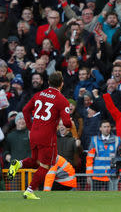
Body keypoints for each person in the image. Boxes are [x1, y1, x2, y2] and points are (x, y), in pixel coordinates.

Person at [8, 71, 72, 200]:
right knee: (45, 165)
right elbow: (66, 123)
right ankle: (29, 191)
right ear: (61, 84)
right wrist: (69, 122)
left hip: (34, 133)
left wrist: (31, 127)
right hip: (47, 137)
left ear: (48, 82)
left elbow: (25, 110)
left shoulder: (38, 94)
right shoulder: (62, 100)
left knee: (36, 161)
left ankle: (18, 164)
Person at [86, 120, 121, 191]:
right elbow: (89, 159)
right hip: (97, 175)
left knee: (111, 199)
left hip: (112, 175)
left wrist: (120, 172)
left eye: (108, 127)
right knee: (96, 198)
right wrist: (88, 175)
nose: (107, 129)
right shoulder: (94, 140)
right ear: (100, 128)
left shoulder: (117, 140)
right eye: (104, 127)